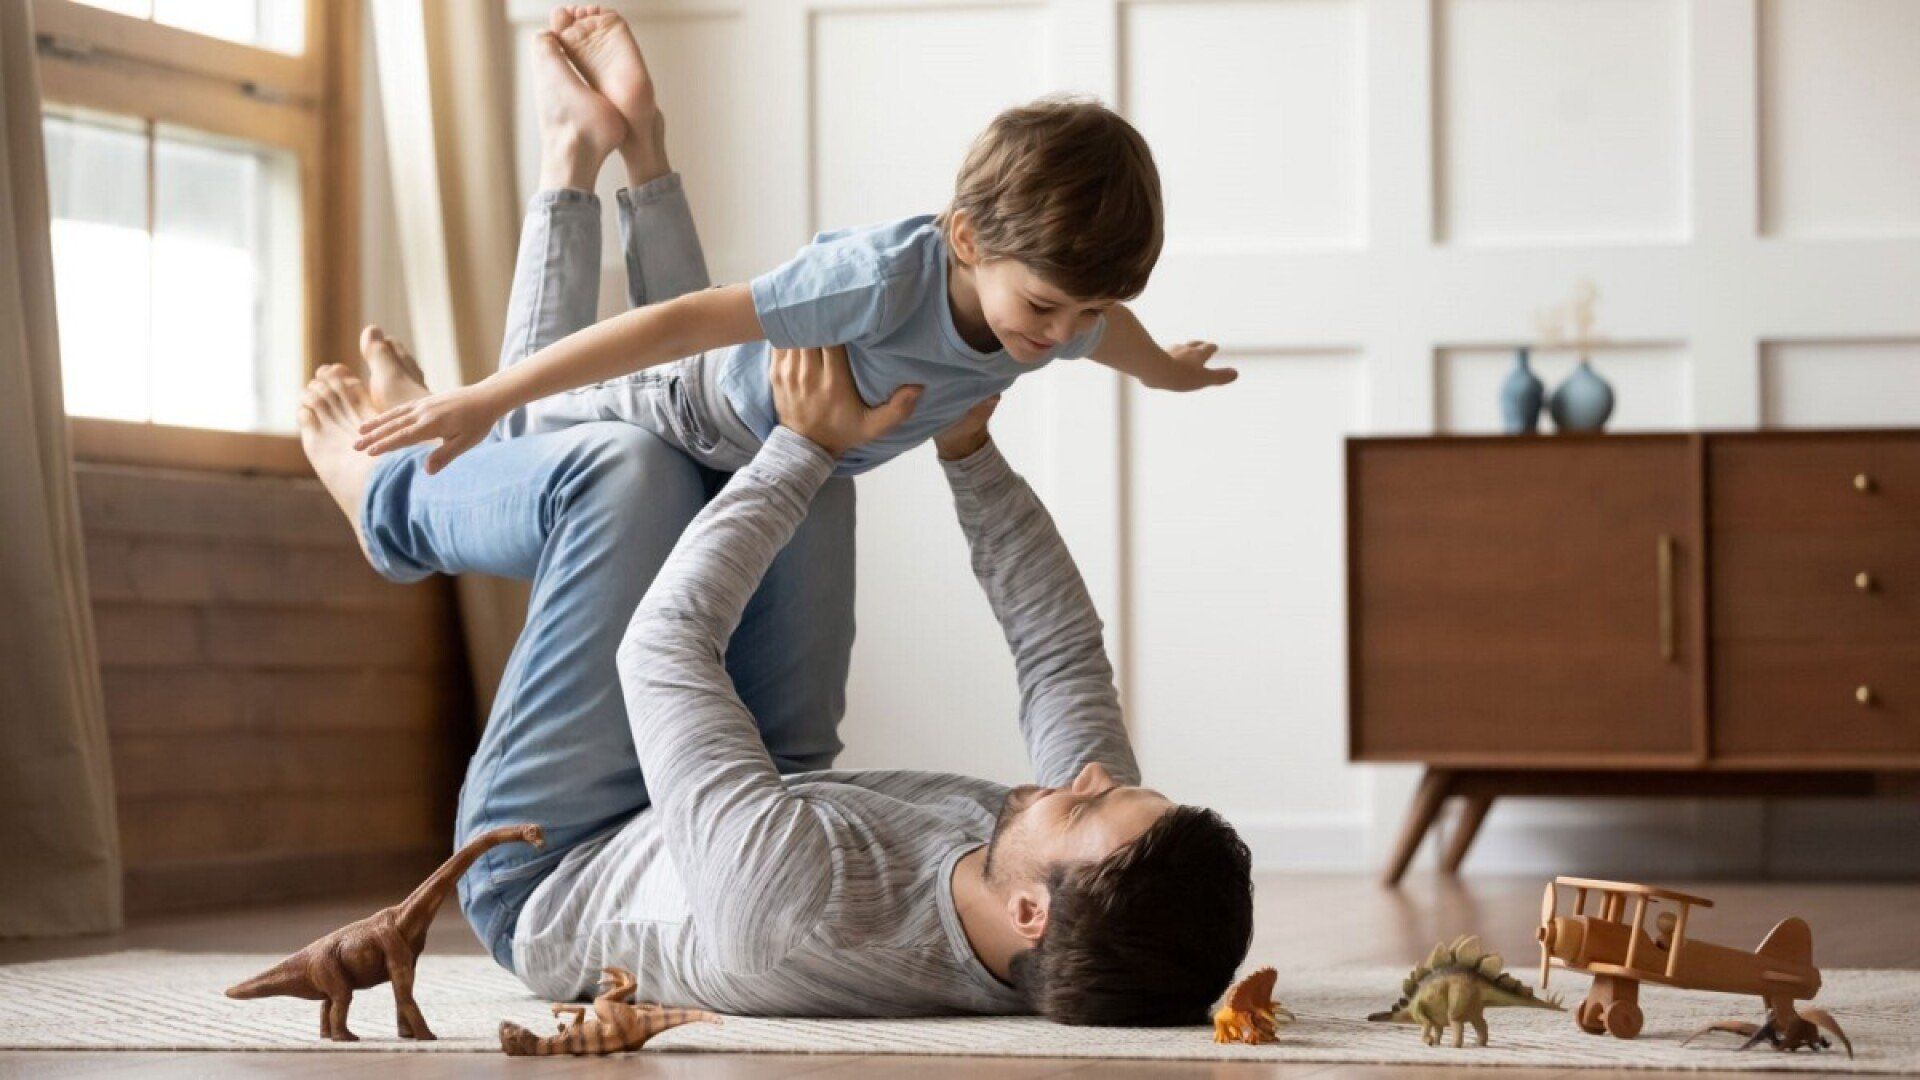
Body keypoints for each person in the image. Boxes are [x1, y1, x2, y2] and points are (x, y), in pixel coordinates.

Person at [350, 6, 1236, 477]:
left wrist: (1165, 369)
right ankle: (452, 378)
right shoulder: (882, 281)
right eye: (1046, 305)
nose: (1059, 333)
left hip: (740, 412)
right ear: (966, 238)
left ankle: (640, 135)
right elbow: (683, 325)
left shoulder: (1058, 312)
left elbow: (1107, 337)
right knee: (517, 437)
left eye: (1085, 310)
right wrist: (490, 397)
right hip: (692, 408)